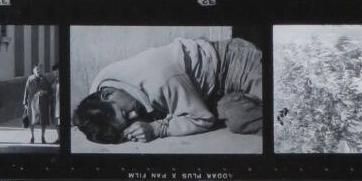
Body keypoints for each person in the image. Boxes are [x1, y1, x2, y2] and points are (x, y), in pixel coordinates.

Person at [73, 35, 263, 143]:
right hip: (206, 92)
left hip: (234, 62)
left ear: (108, 94)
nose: (134, 116)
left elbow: (203, 119)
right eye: (128, 120)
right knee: (239, 118)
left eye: (125, 113)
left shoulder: (160, 79)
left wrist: (157, 128)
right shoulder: (100, 88)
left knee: (278, 112)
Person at [22, 63, 53, 144]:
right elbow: (26, 91)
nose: (38, 71)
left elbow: (50, 91)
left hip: (42, 103)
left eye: (40, 69)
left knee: (43, 120)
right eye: (36, 69)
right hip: (32, 103)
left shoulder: (45, 79)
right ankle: (32, 137)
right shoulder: (30, 79)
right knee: (31, 120)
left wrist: (45, 92)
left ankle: (43, 137)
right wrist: (25, 103)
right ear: (33, 70)